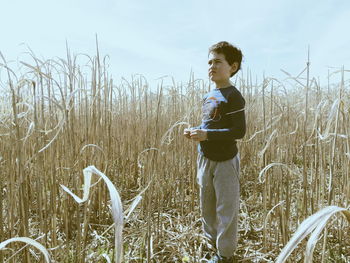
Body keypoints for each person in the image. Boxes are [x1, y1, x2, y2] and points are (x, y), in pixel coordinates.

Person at [184, 41, 246, 263]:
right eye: (209, 62)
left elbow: (239, 131)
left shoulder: (234, 95)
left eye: (218, 62)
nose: (212, 66)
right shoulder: (209, 95)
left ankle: (225, 254)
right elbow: (209, 126)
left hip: (226, 160)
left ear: (233, 66)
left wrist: (207, 135)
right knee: (207, 204)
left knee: (225, 208)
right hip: (205, 158)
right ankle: (210, 245)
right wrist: (195, 133)